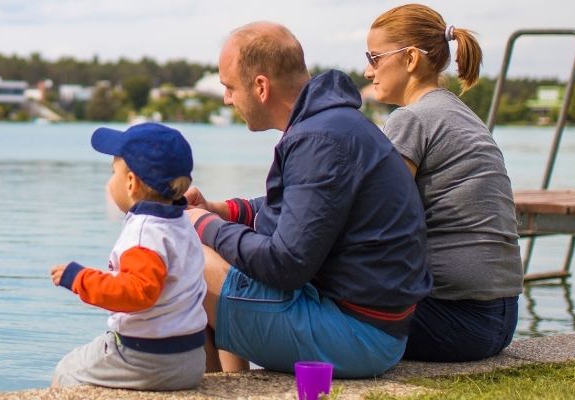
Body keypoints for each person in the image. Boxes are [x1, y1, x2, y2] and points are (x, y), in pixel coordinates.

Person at [184, 22, 431, 379]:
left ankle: (227, 385)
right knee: (211, 245)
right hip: (370, 324)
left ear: (261, 87)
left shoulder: (318, 140)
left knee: (184, 257)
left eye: (229, 87)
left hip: (358, 336)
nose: (227, 99)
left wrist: (202, 224)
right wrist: (221, 211)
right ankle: (231, 383)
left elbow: (286, 265)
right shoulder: (332, 123)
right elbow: (301, 207)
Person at [364, 4, 523, 362]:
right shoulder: (460, 113)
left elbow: (378, 220)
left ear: (409, 59)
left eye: (374, 57)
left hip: (454, 320)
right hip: (501, 318)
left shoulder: (411, 119)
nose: (367, 70)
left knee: (311, 299)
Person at [49, 122, 208, 390]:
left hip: (147, 358)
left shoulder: (144, 233)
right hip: (191, 357)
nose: (110, 181)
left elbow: (137, 292)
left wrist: (80, 278)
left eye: (113, 172)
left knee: (67, 371)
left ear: (131, 182)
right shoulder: (181, 224)